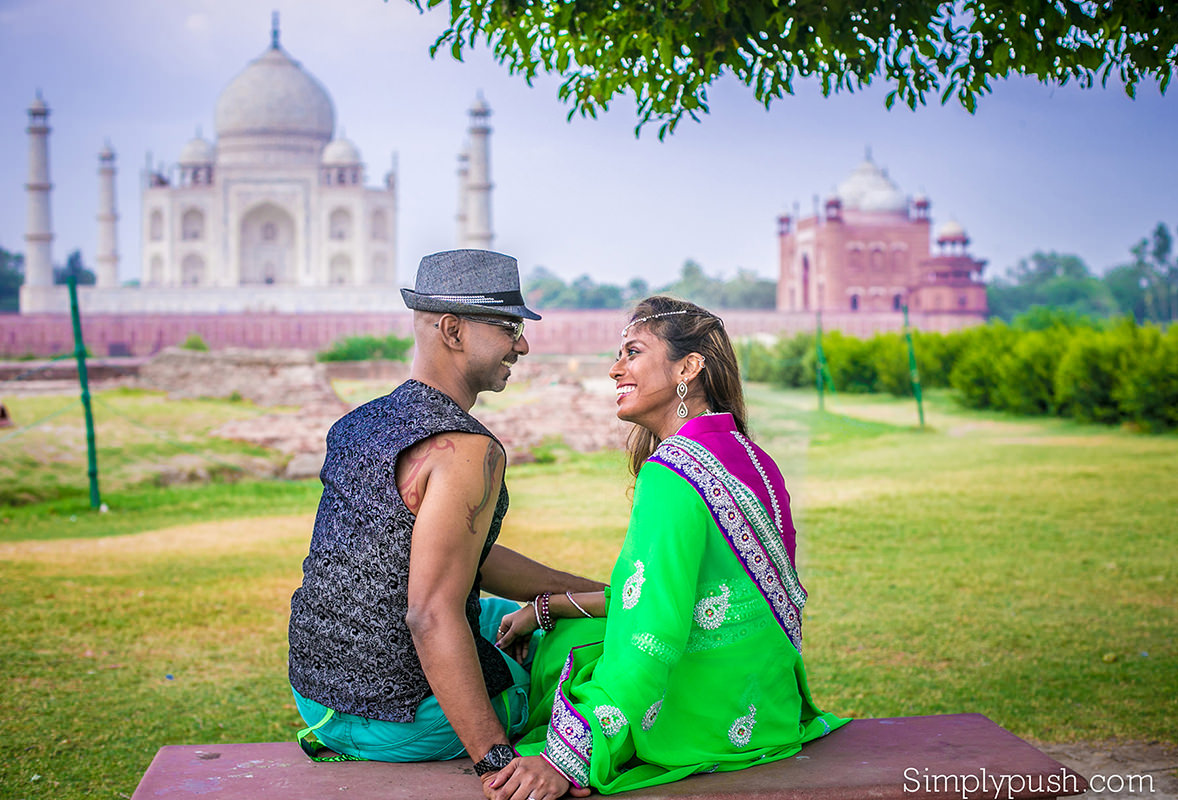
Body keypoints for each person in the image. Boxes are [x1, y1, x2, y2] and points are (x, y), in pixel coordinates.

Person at [486, 296, 849, 800]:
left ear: (688, 367)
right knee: (561, 628)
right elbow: (688, 598)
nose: (615, 370)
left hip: (698, 722)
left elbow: (653, 631)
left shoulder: (671, 474)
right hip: (766, 711)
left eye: (632, 353)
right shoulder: (753, 459)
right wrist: (545, 608)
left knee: (556, 654)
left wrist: (565, 759)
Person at [287, 249, 605, 792]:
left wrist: (598, 588)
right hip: (405, 722)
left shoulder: (359, 423)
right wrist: (493, 760)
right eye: (508, 328)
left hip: (319, 695)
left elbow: (460, 556)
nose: (523, 345)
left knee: (537, 611)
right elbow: (430, 614)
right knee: (584, 643)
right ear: (453, 331)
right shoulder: (464, 449)